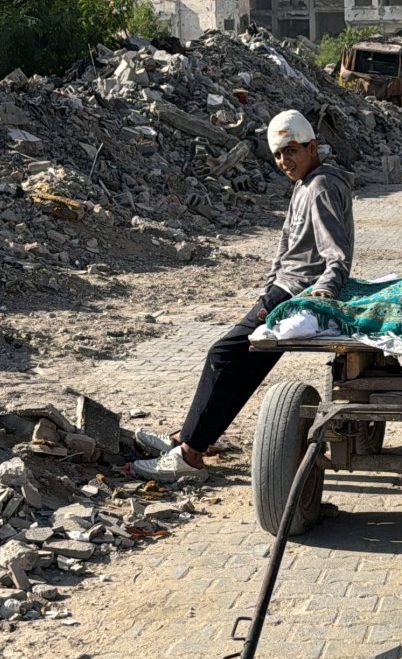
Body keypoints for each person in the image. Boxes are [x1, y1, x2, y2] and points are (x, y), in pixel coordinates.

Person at [134, 110, 354, 480]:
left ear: (313, 147)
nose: (285, 161)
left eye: (292, 151)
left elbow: (337, 254)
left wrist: (323, 292)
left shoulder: (320, 187)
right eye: (279, 155)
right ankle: (192, 439)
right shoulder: (305, 183)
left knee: (223, 354)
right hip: (281, 290)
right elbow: (288, 247)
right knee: (244, 366)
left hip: (295, 296)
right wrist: (269, 285)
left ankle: (188, 454)